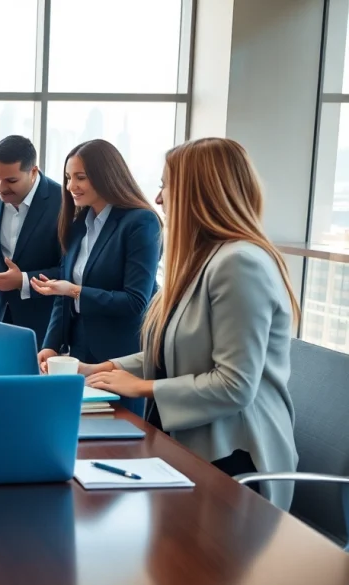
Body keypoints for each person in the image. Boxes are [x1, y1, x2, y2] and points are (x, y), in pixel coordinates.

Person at [83, 137, 299, 510]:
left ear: (199, 193)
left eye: (167, 185)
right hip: (191, 443)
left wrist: (143, 387)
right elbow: (178, 348)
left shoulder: (239, 263)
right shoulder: (203, 259)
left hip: (235, 459)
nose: (159, 199)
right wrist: (109, 367)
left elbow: (234, 385)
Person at [31, 139, 162, 413]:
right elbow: (60, 296)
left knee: (122, 437)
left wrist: (75, 291)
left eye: (81, 177)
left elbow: (136, 301)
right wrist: (50, 346)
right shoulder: (78, 225)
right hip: (79, 353)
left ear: (106, 176)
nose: (70, 186)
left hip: (121, 355)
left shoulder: (141, 222)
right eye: (68, 177)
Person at [0, 135, 62, 344]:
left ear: (33, 172)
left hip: (44, 327)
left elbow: (68, 269)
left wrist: (23, 280)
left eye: (11, 180)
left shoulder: (61, 201)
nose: (0, 187)